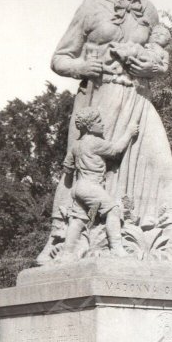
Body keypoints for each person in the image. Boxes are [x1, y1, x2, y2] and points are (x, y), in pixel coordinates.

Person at [36, 0, 172, 267]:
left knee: (164, 166)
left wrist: (152, 66)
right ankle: (57, 242)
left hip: (136, 98)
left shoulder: (149, 11)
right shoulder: (90, 7)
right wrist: (81, 68)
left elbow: (162, 61)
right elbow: (59, 58)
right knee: (77, 173)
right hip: (98, 102)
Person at [58, 107, 139, 262]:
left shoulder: (76, 145)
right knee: (113, 210)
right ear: (89, 126)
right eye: (98, 121)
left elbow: (67, 168)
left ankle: (67, 254)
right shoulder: (95, 142)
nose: (102, 124)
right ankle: (117, 248)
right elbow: (116, 150)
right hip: (91, 186)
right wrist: (129, 132)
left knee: (79, 219)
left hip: (78, 188)